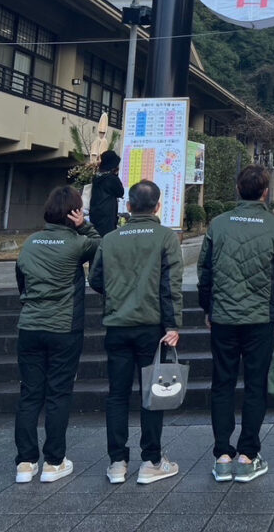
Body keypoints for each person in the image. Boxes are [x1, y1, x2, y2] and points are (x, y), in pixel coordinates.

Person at [198, 164, 274, 483]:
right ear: (265, 192)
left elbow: (205, 271)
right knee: (255, 385)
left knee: (222, 384)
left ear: (238, 190)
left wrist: (207, 307)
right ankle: (247, 454)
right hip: (259, 318)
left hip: (223, 315)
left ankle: (222, 455)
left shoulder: (218, 224)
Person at [89, 179, 183, 485]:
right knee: (151, 395)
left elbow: (96, 280)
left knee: (116, 395)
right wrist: (172, 325)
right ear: (158, 206)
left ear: (128, 207)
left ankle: (117, 462)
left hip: (117, 326)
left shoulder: (111, 238)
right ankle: (151, 461)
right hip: (151, 328)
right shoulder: (165, 238)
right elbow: (170, 287)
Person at [14, 185, 100, 484]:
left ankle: (25, 463)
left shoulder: (31, 242)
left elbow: (21, 281)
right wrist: (85, 225)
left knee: (29, 394)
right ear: (74, 212)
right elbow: (100, 244)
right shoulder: (77, 243)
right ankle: (53, 461)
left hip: (29, 327)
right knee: (58, 394)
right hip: (64, 327)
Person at [89, 149, 124, 237]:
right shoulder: (111, 179)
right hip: (107, 216)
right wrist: (115, 175)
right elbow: (120, 192)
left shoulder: (96, 177)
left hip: (95, 213)